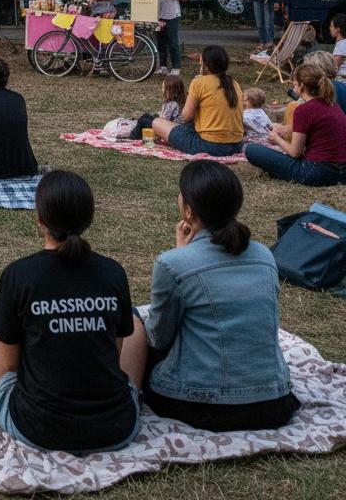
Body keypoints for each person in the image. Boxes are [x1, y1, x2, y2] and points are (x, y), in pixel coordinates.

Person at [0, 171, 139, 455]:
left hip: (39, 427)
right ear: (88, 218)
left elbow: (9, 364)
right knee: (136, 323)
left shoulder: (19, 275)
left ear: (40, 218)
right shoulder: (113, 273)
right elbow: (115, 351)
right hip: (117, 426)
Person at [119, 161, 299, 431]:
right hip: (273, 403)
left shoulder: (172, 263)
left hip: (202, 405)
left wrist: (180, 254)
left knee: (134, 321)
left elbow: (159, 337)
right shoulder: (265, 256)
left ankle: (125, 403)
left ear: (188, 210)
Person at [245, 64, 346, 185]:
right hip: (342, 173)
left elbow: (295, 152)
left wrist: (276, 139)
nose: (293, 88)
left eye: (294, 84)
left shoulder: (303, 109)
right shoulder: (332, 105)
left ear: (301, 86)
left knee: (251, 149)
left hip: (316, 172)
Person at [152, 45, 243, 157]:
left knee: (157, 122)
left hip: (210, 146)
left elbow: (185, 117)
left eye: (200, 64)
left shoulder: (199, 82)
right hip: (237, 145)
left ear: (205, 66)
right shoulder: (235, 83)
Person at [155, 0, 188, 75]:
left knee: (172, 41)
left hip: (173, 14)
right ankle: (163, 67)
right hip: (159, 14)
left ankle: (176, 67)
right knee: (160, 41)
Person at [332, 12, 346, 80]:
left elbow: (333, 68)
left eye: (331, 26)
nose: (330, 28)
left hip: (341, 82)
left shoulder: (342, 45)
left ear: (338, 29)